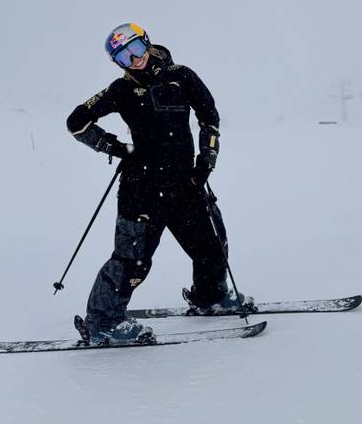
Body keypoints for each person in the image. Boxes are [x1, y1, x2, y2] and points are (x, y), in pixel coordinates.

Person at [66, 22, 251, 344]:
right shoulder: (119, 90)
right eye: (123, 58)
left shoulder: (182, 76)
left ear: (147, 43)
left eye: (135, 50)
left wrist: (206, 160)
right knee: (132, 260)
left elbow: (209, 118)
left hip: (186, 182)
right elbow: (76, 122)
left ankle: (211, 297)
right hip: (141, 188)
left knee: (210, 246)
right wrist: (113, 147)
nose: (133, 60)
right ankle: (104, 322)